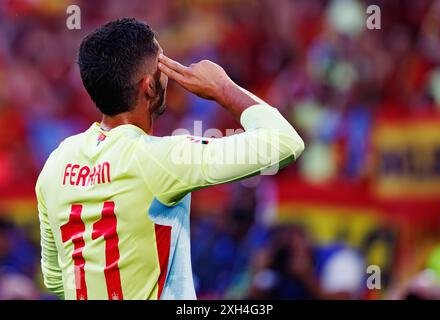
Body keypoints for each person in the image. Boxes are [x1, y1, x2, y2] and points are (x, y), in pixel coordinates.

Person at [35, 18, 304, 300]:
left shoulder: (56, 162)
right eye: (163, 62)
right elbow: (285, 143)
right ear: (149, 87)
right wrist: (223, 88)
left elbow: (56, 278)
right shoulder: (162, 158)